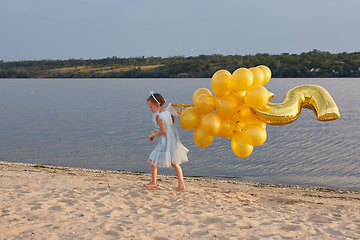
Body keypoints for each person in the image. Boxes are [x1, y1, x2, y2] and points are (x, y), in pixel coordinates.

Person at [144, 92, 189, 191]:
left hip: (165, 142)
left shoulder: (158, 116)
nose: (150, 109)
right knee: (175, 162)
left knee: (152, 160)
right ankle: (181, 184)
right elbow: (172, 123)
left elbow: (163, 131)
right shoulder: (168, 113)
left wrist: (153, 134)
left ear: (157, 105)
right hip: (172, 140)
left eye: (151, 107)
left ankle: (154, 182)